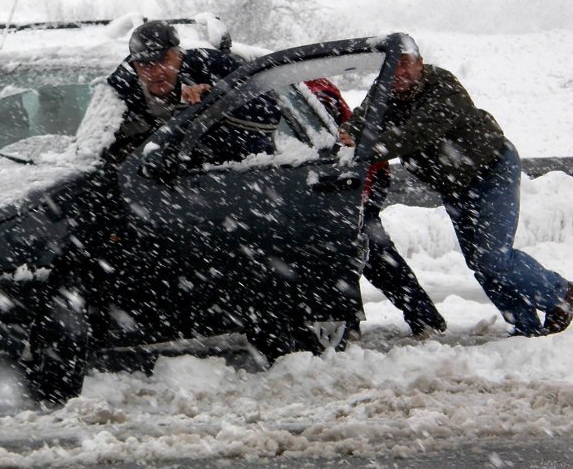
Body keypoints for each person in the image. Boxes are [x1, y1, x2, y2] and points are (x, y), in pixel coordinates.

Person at [341, 49, 573, 336]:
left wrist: (362, 149)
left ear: (419, 64)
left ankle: (560, 292)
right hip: (452, 184)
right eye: (391, 67)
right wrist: (347, 134)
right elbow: (361, 120)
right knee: (479, 263)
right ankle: (526, 328)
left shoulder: (443, 85)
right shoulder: (382, 91)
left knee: (493, 258)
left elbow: (416, 133)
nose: (398, 73)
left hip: (491, 169)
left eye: (405, 64)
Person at [305, 78, 446, 338]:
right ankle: (358, 321)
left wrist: (355, 198)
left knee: (369, 250)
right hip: (347, 180)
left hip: (358, 180)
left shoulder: (316, 95)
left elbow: (334, 139)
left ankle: (423, 318)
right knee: (354, 250)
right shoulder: (297, 88)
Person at [105, 20, 280, 164]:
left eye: (163, 59)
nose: (156, 71)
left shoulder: (213, 66)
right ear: (134, 66)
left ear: (179, 55)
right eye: (145, 64)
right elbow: (96, 149)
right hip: (148, 187)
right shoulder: (121, 89)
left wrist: (216, 100)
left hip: (240, 176)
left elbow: (269, 115)